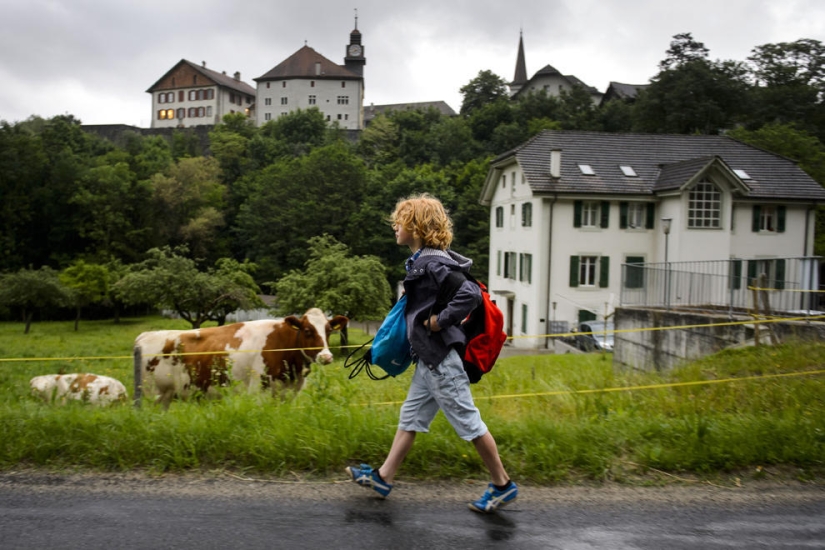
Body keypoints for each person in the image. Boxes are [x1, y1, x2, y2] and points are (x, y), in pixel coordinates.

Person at [345, 193, 518, 513]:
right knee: (410, 418)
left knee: (470, 424)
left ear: (417, 226)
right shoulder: (426, 259)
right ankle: (384, 477)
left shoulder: (432, 261)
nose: (395, 226)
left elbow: (469, 293)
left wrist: (439, 321)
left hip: (442, 362)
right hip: (430, 360)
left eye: (401, 221)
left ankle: (502, 485)